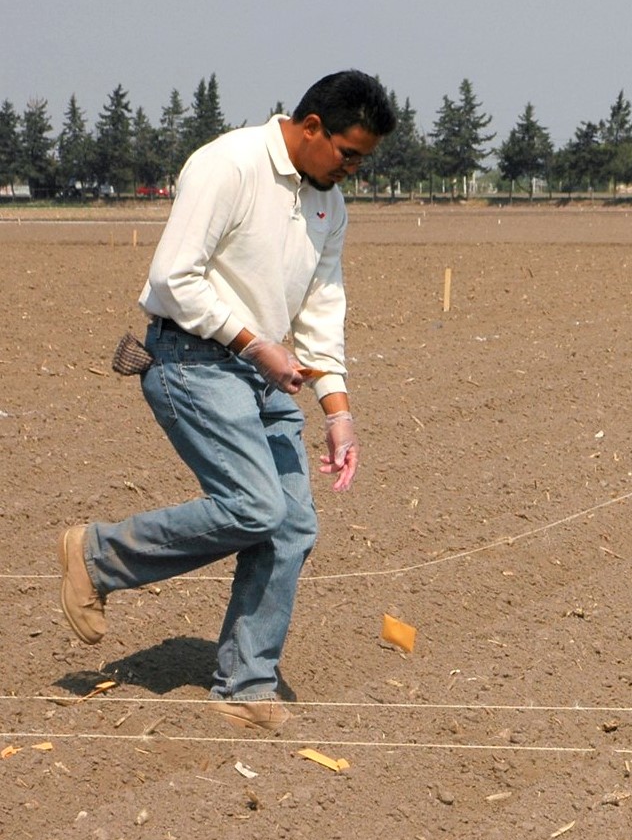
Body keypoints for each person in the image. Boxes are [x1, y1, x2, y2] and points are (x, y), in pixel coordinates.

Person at [55, 70, 397, 729]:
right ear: (312, 127)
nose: (354, 168)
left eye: (364, 159)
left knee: (293, 527)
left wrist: (339, 411)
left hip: (261, 375)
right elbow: (173, 276)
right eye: (348, 153)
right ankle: (97, 555)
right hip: (192, 361)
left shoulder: (330, 205)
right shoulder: (228, 165)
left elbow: (323, 309)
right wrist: (253, 342)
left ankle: (245, 685)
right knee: (257, 506)